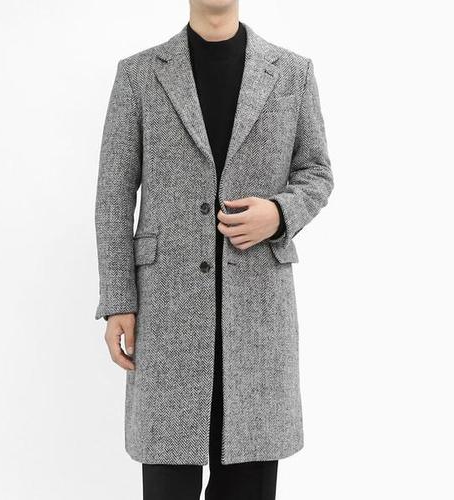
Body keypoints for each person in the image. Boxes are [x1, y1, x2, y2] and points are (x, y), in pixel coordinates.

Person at [94, 1, 333, 498]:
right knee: (168, 478)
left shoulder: (292, 73)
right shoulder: (139, 75)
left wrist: (279, 213)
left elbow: (316, 172)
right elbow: (114, 196)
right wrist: (118, 300)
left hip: (258, 319)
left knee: (248, 480)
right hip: (167, 314)